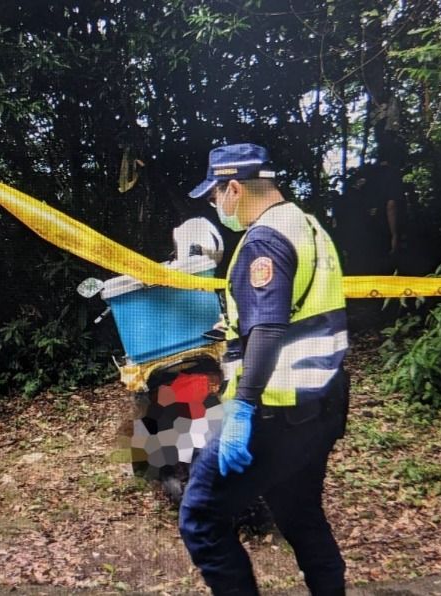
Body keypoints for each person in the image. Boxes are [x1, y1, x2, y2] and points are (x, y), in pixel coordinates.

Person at [178, 143, 350, 596]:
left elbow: (270, 330)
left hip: (275, 411)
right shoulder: (307, 225)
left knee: (200, 517)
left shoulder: (263, 239)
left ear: (233, 187)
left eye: (215, 196)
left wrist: (243, 409)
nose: (217, 206)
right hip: (323, 402)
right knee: (300, 515)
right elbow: (298, 311)